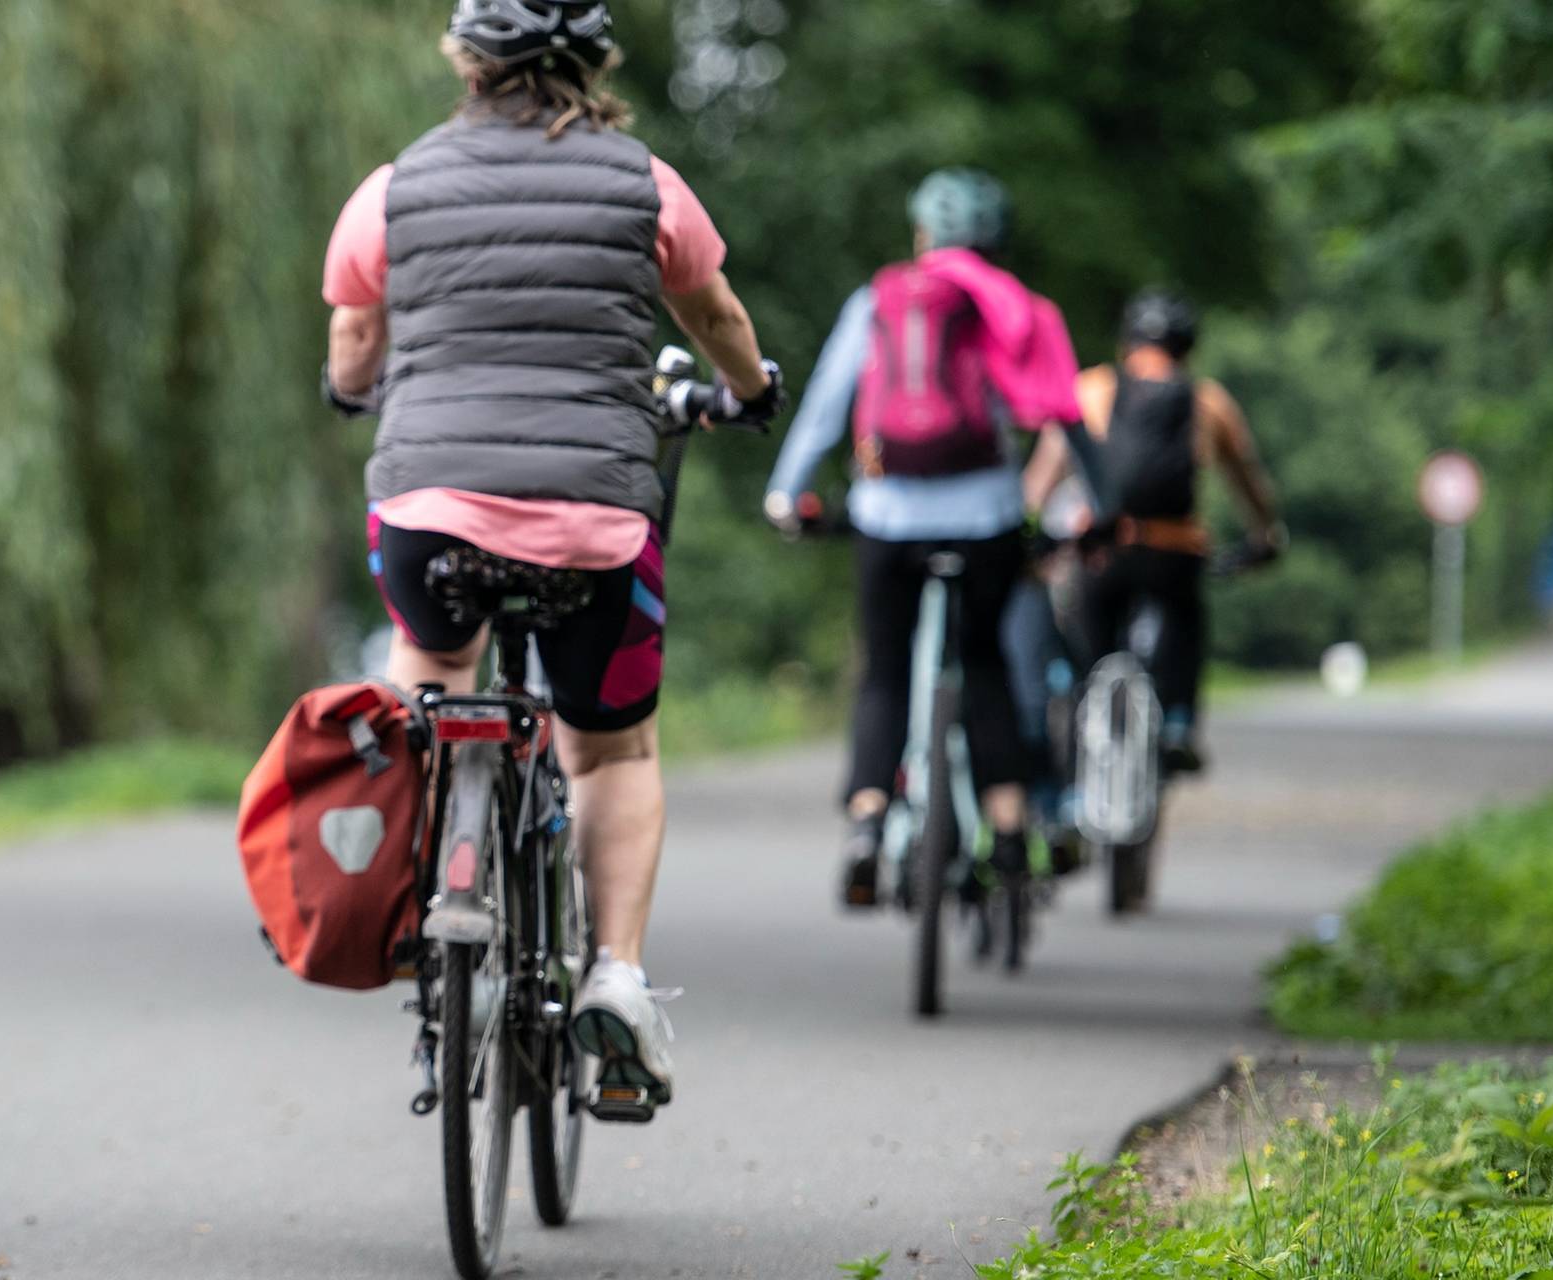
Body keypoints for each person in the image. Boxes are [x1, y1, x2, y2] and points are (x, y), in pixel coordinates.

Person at [322, 0, 780, 1116]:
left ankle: (429, 903)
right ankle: (615, 975)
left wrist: (353, 392)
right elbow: (712, 309)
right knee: (612, 750)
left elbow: (351, 336)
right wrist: (753, 390)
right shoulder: (645, 183)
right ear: (594, 63)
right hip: (596, 518)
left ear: (467, 63)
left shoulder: (395, 185)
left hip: (428, 516)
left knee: (426, 679)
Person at [763, 169, 1092, 909]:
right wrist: (1100, 509)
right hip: (986, 520)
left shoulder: (878, 298)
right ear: (995, 241)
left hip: (887, 516)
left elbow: (825, 405)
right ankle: (1009, 831)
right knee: (985, 664)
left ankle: (867, 826)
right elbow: (1061, 413)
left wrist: (786, 491)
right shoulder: (1015, 305)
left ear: (923, 235)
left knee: (884, 671)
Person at [1022, 291, 1282, 772]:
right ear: (1186, 348)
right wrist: (1266, 537)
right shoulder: (1208, 401)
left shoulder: (1091, 389)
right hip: (1173, 551)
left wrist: (1027, 533)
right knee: (1185, 619)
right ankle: (1179, 721)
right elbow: (1249, 482)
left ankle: (1078, 762)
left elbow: (1042, 477)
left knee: (1087, 661)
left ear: (1127, 342)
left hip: (1101, 550)